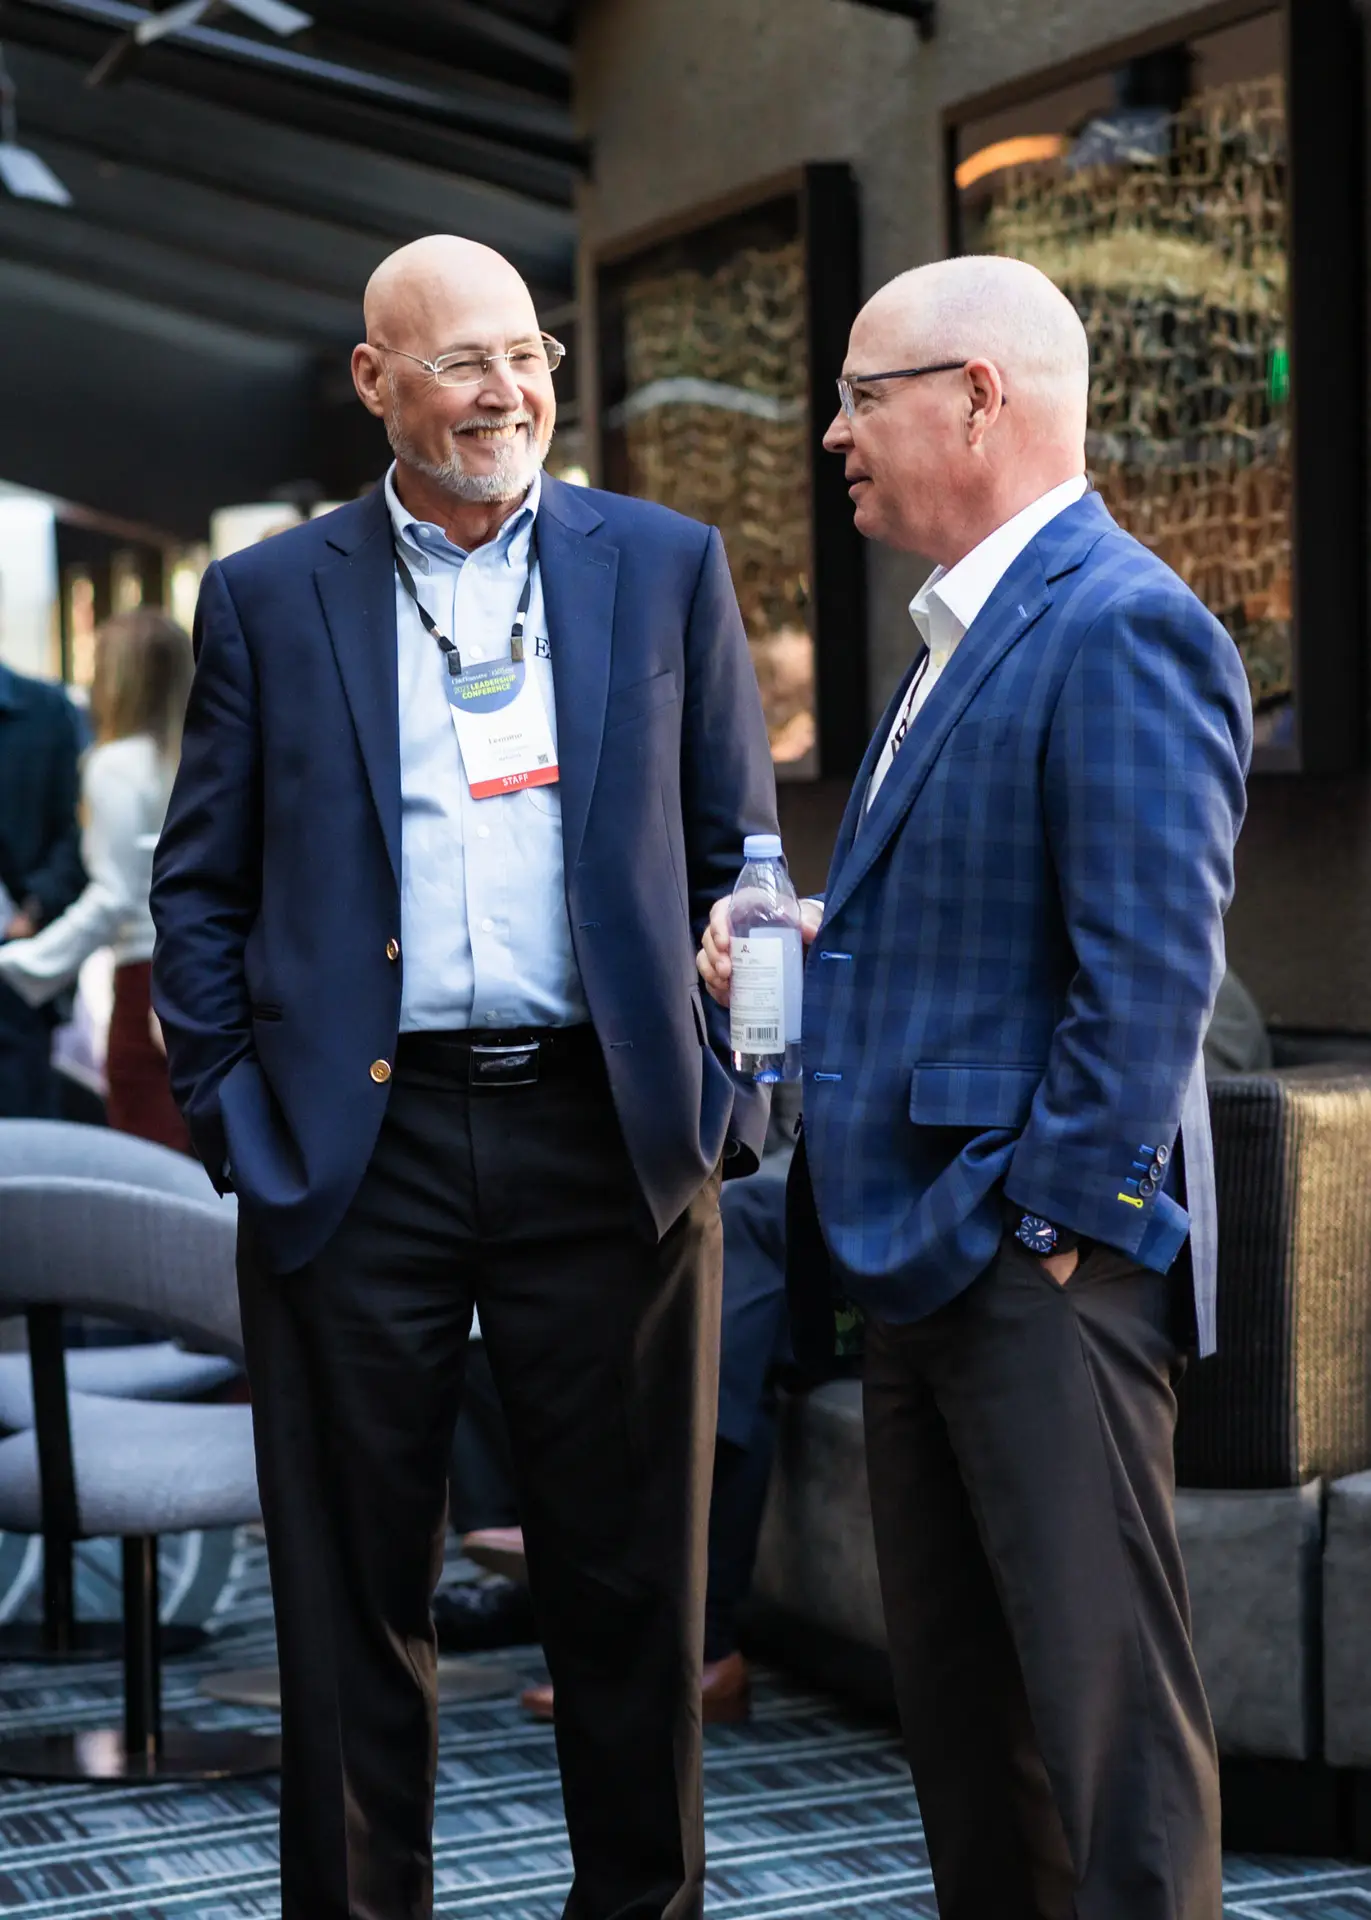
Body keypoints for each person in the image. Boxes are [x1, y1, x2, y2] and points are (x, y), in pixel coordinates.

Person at [150, 233, 777, 1920]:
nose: (507, 392)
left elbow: (741, 852)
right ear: (375, 381)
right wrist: (240, 1122)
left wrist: (737, 1096)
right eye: (461, 362)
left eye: (529, 356)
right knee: (356, 1602)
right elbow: (198, 889)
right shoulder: (271, 595)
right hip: (363, 1145)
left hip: (613, 1132)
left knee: (631, 1591)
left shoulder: (663, 565)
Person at [699, 254, 1251, 1920]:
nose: (831, 435)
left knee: (1107, 1747)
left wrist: (1050, 1221)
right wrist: (807, 939)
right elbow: (993, 928)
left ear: (978, 399)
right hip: (927, 1260)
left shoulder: (1123, 618)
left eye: (863, 397)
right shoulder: (965, 629)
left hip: (1034, 1270)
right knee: (971, 1732)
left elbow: (1149, 968)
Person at [0, 610, 194, 1152]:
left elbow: (113, 896)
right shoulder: (203, 759)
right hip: (206, 969)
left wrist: (26, 962)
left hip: (143, 979)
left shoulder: (113, 767)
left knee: (148, 1147)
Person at [0, 659, 85, 1117]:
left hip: (17, 959)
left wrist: (32, 913)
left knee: (20, 1139)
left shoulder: (45, 711)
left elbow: (76, 834)